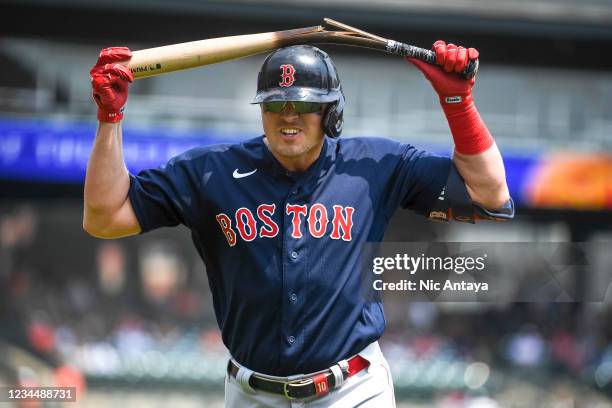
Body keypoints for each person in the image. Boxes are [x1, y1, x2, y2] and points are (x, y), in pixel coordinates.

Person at [84, 42, 514, 407]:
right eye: (275, 104)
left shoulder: (375, 165)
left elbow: (490, 195)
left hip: (353, 390)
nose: (289, 115)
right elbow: (105, 217)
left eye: (305, 104)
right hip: (252, 393)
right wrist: (110, 120)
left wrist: (458, 104)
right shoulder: (211, 172)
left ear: (331, 112)